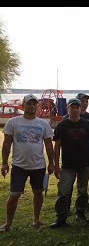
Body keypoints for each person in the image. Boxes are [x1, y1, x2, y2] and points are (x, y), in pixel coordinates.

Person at [0, 94, 55, 232]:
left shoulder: (43, 124)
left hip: (38, 166)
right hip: (19, 166)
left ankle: (36, 220)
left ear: (37, 106)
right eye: (28, 104)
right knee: (14, 195)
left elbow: (49, 145)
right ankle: (8, 223)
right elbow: (6, 144)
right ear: (23, 105)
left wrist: (51, 163)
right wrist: (4, 163)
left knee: (38, 192)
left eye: (34, 104)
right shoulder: (13, 122)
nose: (31, 106)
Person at [50, 99, 89, 228]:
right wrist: (56, 165)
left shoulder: (88, 124)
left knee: (82, 191)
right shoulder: (62, 125)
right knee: (64, 191)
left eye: (77, 107)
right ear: (68, 109)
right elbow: (57, 146)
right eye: (73, 107)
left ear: (81, 109)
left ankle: (80, 214)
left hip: (84, 164)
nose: (75, 110)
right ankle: (61, 217)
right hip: (68, 165)